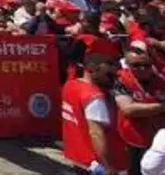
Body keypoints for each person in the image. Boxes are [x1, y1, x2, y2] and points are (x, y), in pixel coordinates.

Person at [62, 52, 129, 175]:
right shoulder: (94, 97)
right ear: (92, 69)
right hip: (98, 164)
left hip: (78, 159)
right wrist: (109, 167)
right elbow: (96, 133)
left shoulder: (70, 86)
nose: (112, 79)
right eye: (108, 75)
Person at [114, 43, 165, 175]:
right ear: (128, 65)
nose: (142, 69)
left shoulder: (160, 80)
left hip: (158, 139)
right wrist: (161, 107)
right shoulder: (121, 80)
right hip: (134, 139)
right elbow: (128, 109)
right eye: (136, 65)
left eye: (146, 65)